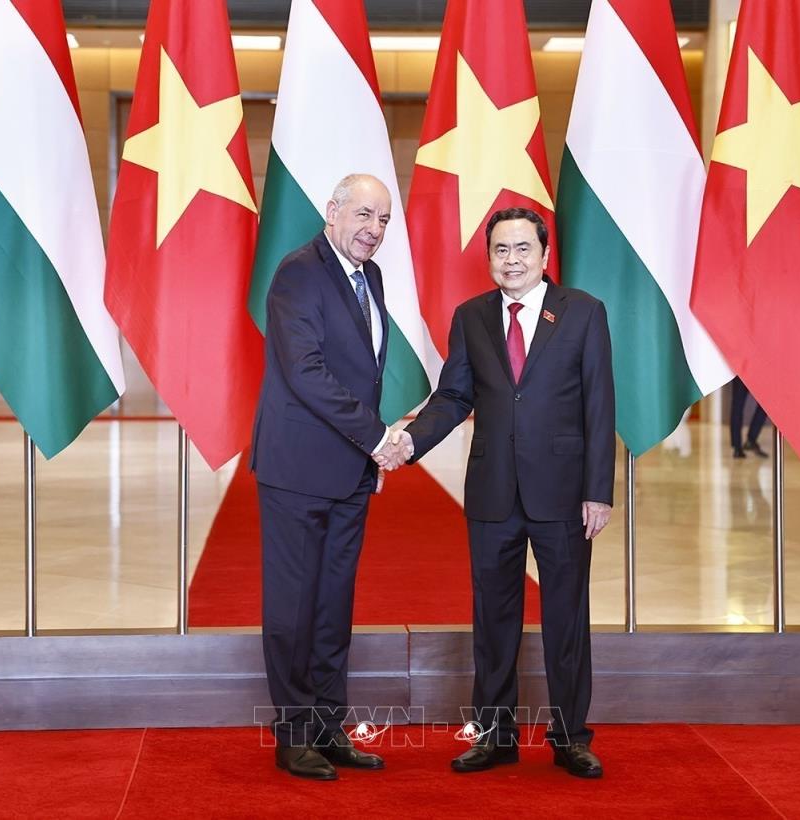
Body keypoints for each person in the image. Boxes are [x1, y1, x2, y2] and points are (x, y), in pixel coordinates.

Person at [397, 207, 615, 778]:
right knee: (493, 619)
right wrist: (410, 441)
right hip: (493, 490)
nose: (511, 260)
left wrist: (598, 490)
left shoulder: (583, 312)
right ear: (489, 257)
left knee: (567, 618)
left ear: (544, 254)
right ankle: (495, 736)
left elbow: (599, 403)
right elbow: (454, 396)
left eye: (522, 248)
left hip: (564, 493)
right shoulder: (471, 316)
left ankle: (571, 737)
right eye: (500, 249)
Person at [250, 173, 408, 780]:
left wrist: (368, 452)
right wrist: (377, 439)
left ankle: (326, 724)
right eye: (364, 214)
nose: (374, 229)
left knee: (333, 605)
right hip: (296, 470)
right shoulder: (298, 273)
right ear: (332, 210)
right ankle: (292, 734)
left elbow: (364, 373)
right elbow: (307, 372)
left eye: (383, 220)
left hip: (348, 472)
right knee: (293, 606)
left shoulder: (371, 276)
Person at [729, 377, 768, 458]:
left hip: (740, 372)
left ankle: (737, 448)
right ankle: (751, 439)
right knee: (765, 402)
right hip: (757, 372)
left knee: (737, 405)